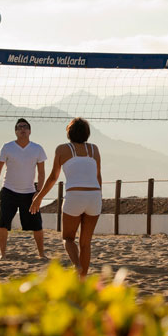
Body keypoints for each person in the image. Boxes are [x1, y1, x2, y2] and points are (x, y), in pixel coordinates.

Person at [30, 117, 102, 277]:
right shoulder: (94, 149)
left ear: (69, 132)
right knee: (85, 243)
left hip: (75, 195)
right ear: (87, 133)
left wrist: (39, 197)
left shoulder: (62, 149)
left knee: (68, 238)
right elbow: (98, 177)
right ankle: (82, 280)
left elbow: (53, 178)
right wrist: (98, 198)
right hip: (95, 195)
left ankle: (77, 266)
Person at [0, 118, 47, 260]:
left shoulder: (37, 148)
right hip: (9, 190)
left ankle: (42, 254)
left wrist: (39, 192)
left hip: (29, 193)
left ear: (30, 131)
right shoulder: (7, 147)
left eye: (25, 127)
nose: (23, 129)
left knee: (37, 225)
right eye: (20, 127)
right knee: (3, 223)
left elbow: (41, 172)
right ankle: (2, 254)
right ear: (15, 131)